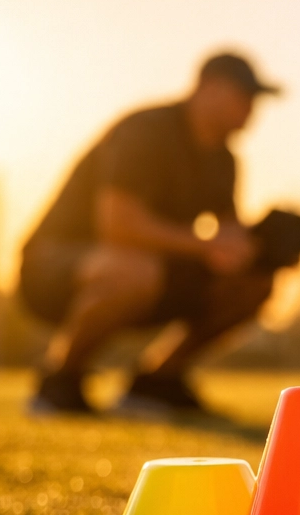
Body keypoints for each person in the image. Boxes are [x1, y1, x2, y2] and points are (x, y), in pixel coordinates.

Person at [18, 52, 281, 415]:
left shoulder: (224, 160)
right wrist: (207, 245)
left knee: (254, 283)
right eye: (243, 97)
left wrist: (260, 251)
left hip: (152, 274)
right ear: (207, 88)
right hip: (52, 267)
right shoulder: (145, 131)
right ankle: (58, 381)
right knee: (133, 269)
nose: (251, 110)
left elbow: (228, 236)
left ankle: (157, 382)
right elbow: (119, 226)